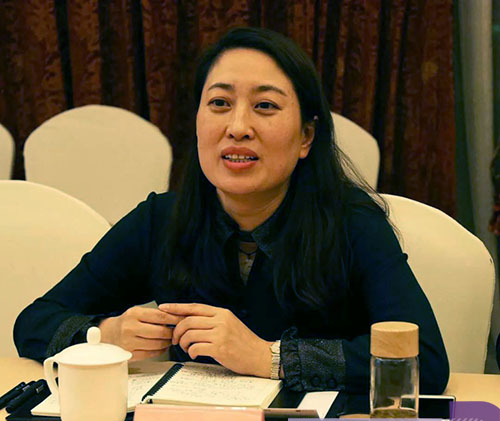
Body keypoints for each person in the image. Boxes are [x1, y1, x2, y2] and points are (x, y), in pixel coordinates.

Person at [14, 27, 449, 394]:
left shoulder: (354, 224)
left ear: (306, 137)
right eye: (220, 104)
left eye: (265, 106)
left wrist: (269, 356)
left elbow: (423, 361)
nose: (237, 127)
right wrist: (104, 334)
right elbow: (34, 322)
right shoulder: (160, 220)